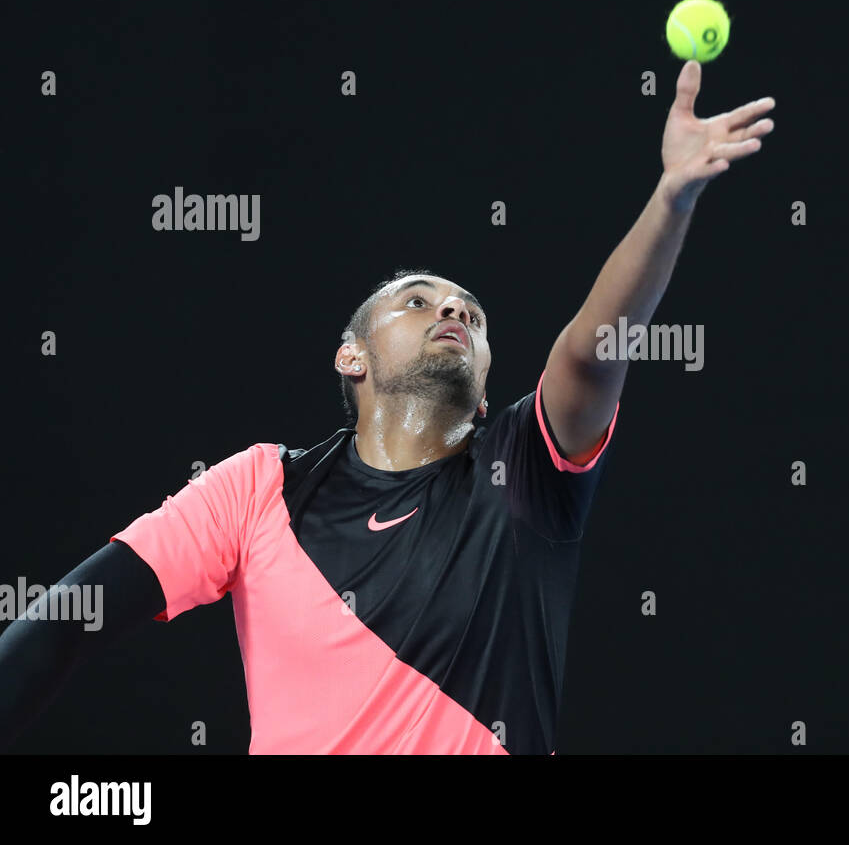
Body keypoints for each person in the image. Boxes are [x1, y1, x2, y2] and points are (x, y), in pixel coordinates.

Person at [0, 61, 774, 753]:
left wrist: (672, 200)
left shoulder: (524, 471)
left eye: (471, 313)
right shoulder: (258, 489)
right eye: (417, 301)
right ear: (352, 356)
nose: (453, 313)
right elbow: (68, 620)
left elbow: (591, 347)